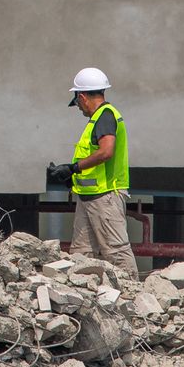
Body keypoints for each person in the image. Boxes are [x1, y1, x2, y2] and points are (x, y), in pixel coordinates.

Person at [49, 66, 137, 281]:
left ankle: (133, 294)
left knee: (116, 254)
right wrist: (72, 177)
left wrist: (73, 168)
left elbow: (106, 151)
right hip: (91, 199)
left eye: (77, 103)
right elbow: (93, 161)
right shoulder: (99, 119)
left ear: (82, 97)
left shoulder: (105, 116)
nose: (79, 108)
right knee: (81, 256)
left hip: (105, 197)